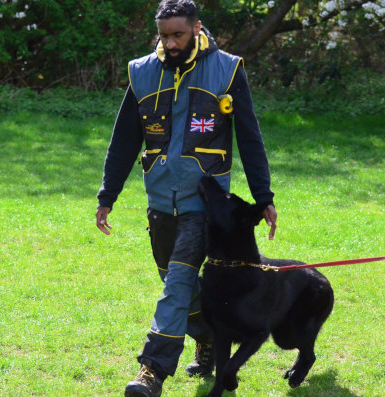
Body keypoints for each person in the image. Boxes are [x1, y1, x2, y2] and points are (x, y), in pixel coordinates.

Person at [95, 1, 277, 396]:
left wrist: (264, 197)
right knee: (174, 279)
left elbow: (249, 137)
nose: (170, 42)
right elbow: (124, 140)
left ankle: (152, 372)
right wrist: (107, 195)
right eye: (164, 35)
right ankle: (209, 337)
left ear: (196, 28)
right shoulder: (142, 73)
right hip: (160, 201)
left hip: (203, 205)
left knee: (177, 282)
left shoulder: (227, 69)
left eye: (178, 34)